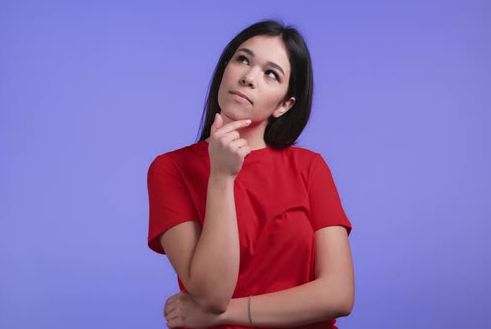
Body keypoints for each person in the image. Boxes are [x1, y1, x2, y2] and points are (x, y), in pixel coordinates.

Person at [147, 20, 354, 328]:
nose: (248, 78)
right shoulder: (170, 169)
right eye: (243, 59)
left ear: (284, 105)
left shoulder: (310, 167)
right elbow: (212, 294)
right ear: (225, 68)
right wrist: (221, 176)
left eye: (271, 74)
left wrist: (225, 314)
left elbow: (338, 294)